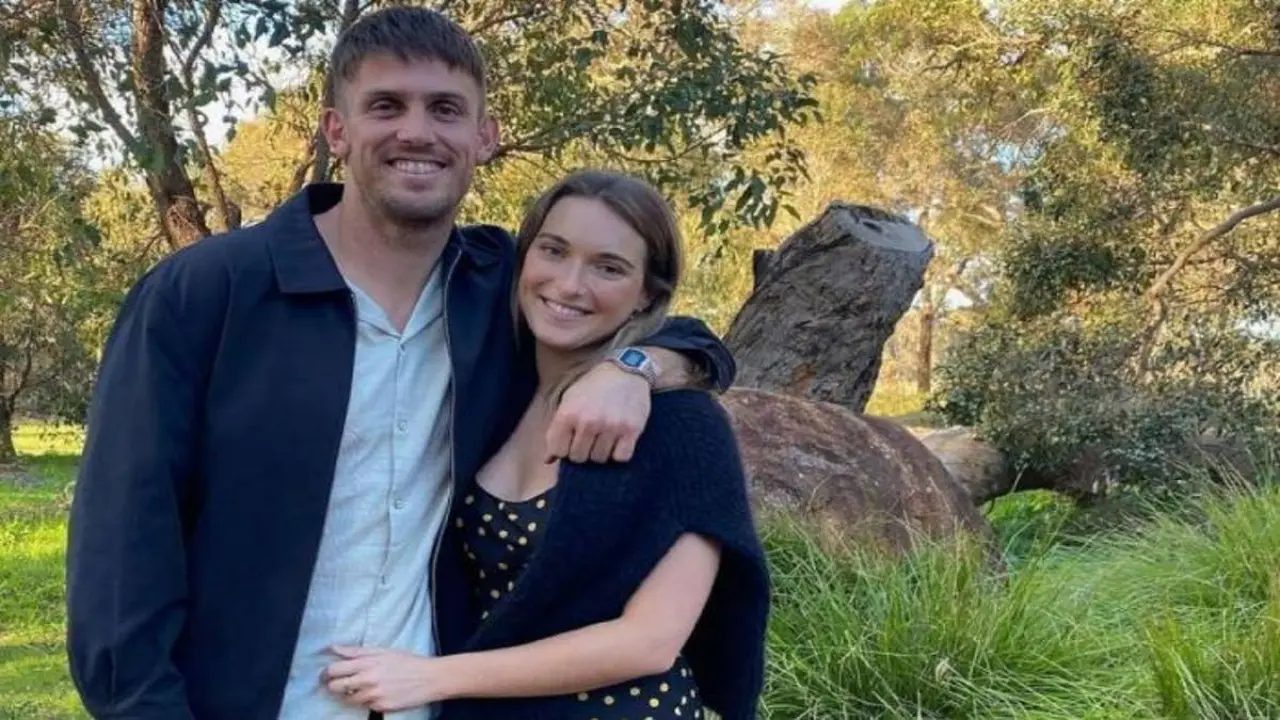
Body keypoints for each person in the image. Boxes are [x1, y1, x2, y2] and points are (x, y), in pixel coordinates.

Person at [64, 8, 737, 720]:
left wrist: (633, 367)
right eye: (386, 106)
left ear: (485, 137)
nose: (416, 131)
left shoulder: (499, 289)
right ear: (337, 131)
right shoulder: (206, 294)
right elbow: (121, 556)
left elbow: (677, 328)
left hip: (430, 703)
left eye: (445, 109)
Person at [319, 170, 769, 720]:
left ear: (646, 293)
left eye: (609, 267)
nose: (570, 284)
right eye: (554, 251)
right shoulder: (497, 387)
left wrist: (431, 677)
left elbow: (650, 639)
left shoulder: (684, 426)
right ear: (524, 258)